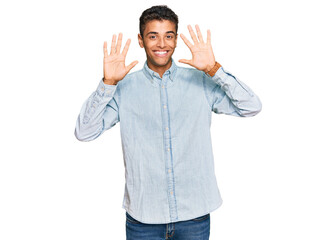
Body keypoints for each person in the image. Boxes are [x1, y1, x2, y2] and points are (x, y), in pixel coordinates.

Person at [75, 5, 262, 240]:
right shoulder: (123, 88)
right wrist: (107, 83)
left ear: (175, 40)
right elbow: (84, 132)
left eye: (169, 36)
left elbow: (251, 106)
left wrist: (214, 70)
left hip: (194, 215)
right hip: (144, 219)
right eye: (153, 36)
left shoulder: (202, 81)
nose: (161, 44)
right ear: (141, 41)